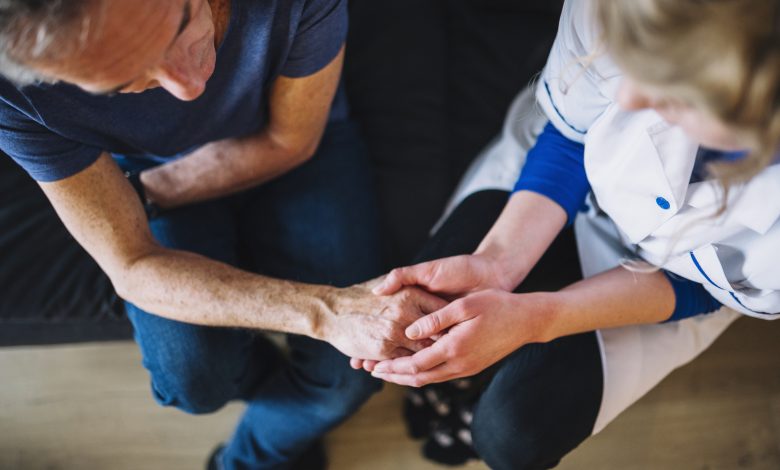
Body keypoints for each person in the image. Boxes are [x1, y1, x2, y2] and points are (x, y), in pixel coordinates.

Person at [0, 1, 447, 468]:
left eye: (180, 26)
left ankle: (247, 460)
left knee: (346, 381)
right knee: (191, 383)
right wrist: (326, 313)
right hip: (149, 169)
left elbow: (289, 142)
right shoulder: (11, 95)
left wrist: (133, 200)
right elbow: (131, 264)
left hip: (302, 150)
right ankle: (282, 399)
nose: (189, 87)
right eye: (123, 85)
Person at [353, 0, 780, 468]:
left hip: (677, 281)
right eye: (630, 59)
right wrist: (498, 262)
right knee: (433, 299)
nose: (629, 100)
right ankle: (457, 382)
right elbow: (571, 134)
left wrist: (539, 317)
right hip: (555, 186)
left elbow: (706, 289)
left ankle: (473, 409)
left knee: (512, 436)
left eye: (672, 88)